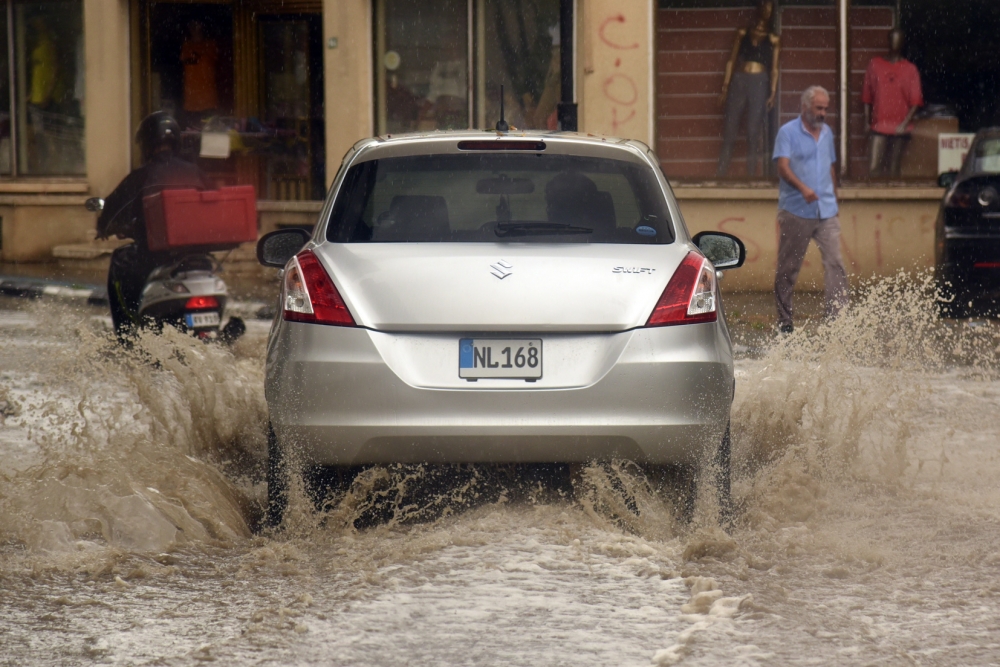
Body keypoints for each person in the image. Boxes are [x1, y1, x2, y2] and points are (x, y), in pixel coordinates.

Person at [96, 111, 211, 338]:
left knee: (120, 260)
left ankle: (126, 334)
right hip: (198, 255)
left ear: (146, 144)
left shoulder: (142, 176)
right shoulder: (195, 171)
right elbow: (215, 203)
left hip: (155, 256)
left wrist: (105, 226)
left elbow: (112, 210)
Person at [772, 85, 848, 334]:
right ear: (805, 107)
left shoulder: (827, 133)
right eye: (819, 108)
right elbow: (782, 167)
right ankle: (785, 321)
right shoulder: (788, 133)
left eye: (826, 108)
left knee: (836, 263)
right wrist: (803, 189)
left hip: (825, 210)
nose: (823, 113)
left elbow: (830, 168)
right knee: (789, 268)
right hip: (796, 210)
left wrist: (834, 200)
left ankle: (837, 319)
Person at [717, 0, 781, 178]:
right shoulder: (743, 32)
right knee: (730, 131)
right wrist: (725, 86)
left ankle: (751, 177)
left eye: (770, 6)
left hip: (759, 81)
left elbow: (774, 68)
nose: (767, 10)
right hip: (739, 79)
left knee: (753, 132)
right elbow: (731, 60)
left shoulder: (773, 38)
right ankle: (719, 175)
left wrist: (773, 91)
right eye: (764, 5)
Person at [862, 29, 923, 179]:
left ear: (903, 43)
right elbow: (867, 96)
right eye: (892, 39)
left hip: (900, 126)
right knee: (874, 168)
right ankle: (874, 200)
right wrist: (866, 122)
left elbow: (916, 101)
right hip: (879, 124)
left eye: (899, 39)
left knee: (894, 169)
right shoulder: (875, 65)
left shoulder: (910, 69)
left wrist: (905, 123)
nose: (895, 43)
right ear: (888, 41)